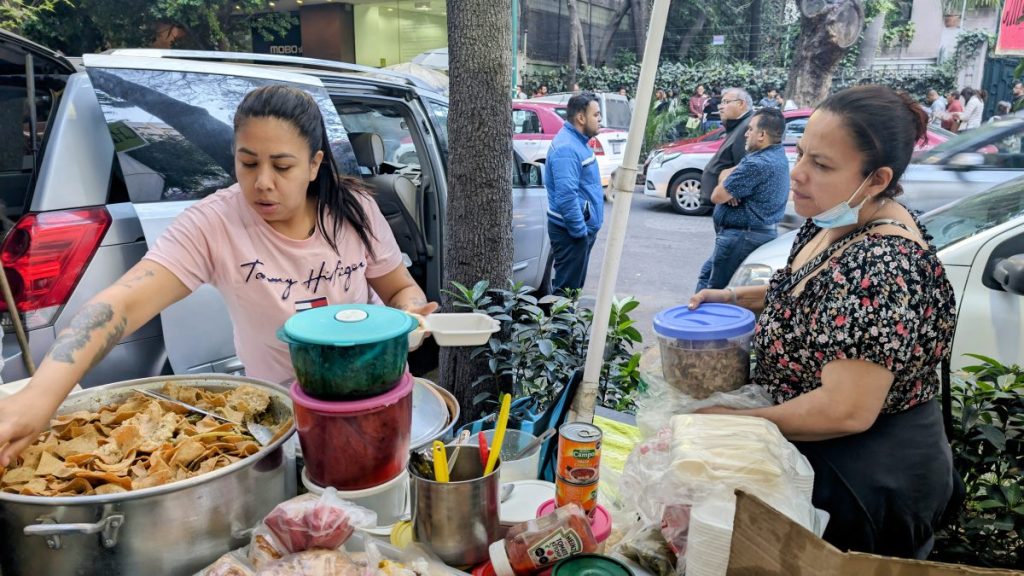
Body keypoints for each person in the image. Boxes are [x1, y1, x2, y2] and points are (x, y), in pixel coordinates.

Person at [0, 85, 438, 466]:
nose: (262, 182)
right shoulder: (213, 224)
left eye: (282, 167)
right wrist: (40, 397)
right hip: (283, 419)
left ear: (314, 164)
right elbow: (122, 304)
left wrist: (409, 317)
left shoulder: (353, 210)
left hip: (377, 397)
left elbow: (401, 289)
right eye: (248, 164)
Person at [689, 85, 960, 560]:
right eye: (801, 154)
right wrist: (732, 295)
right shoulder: (836, 217)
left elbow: (845, 410)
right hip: (816, 458)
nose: (797, 174)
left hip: (860, 482)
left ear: (876, 179)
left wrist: (738, 423)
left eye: (822, 166)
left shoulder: (884, 264)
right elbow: (806, 292)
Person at [696, 108, 790, 291]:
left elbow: (717, 196)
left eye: (750, 129)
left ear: (762, 135)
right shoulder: (775, 155)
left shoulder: (756, 164)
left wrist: (727, 187)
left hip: (742, 237)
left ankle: (702, 320)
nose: (746, 134)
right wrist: (728, 182)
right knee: (707, 277)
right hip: (747, 234)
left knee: (714, 292)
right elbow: (725, 174)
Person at [544, 92, 604, 295]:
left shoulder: (577, 142)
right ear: (581, 118)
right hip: (571, 233)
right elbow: (566, 196)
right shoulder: (567, 149)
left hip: (577, 232)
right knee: (566, 296)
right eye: (596, 115)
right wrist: (580, 232)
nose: (600, 120)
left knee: (572, 292)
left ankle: (563, 327)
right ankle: (560, 328)